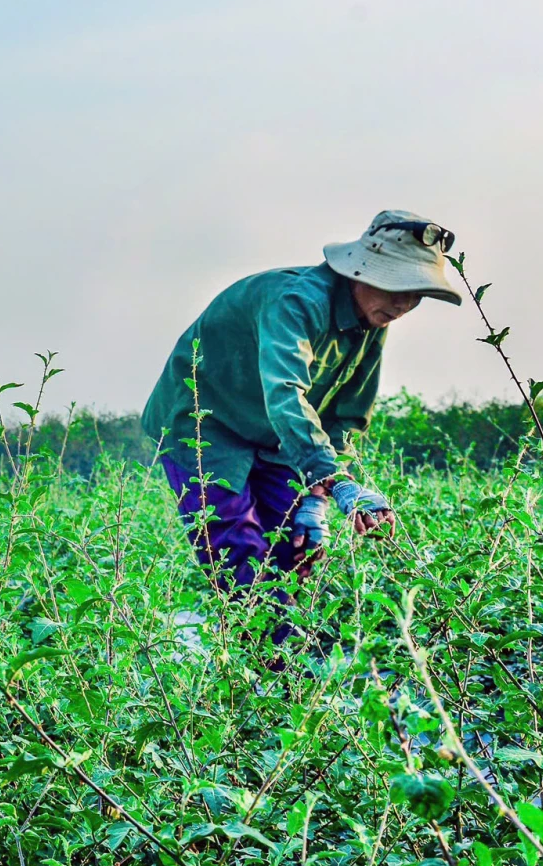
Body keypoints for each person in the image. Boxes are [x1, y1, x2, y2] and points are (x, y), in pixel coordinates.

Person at [140, 210, 462, 650]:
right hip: (204, 422)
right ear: (361, 270)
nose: (404, 304)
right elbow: (286, 393)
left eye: (416, 293)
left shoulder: (373, 321)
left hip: (276, 435)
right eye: (396, 287)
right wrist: (335, 480)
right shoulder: (295, 301)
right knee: (236, 550)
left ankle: (279, 653)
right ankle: (274, 671)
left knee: (298, 546)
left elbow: (345, 415)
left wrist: (316, 499)